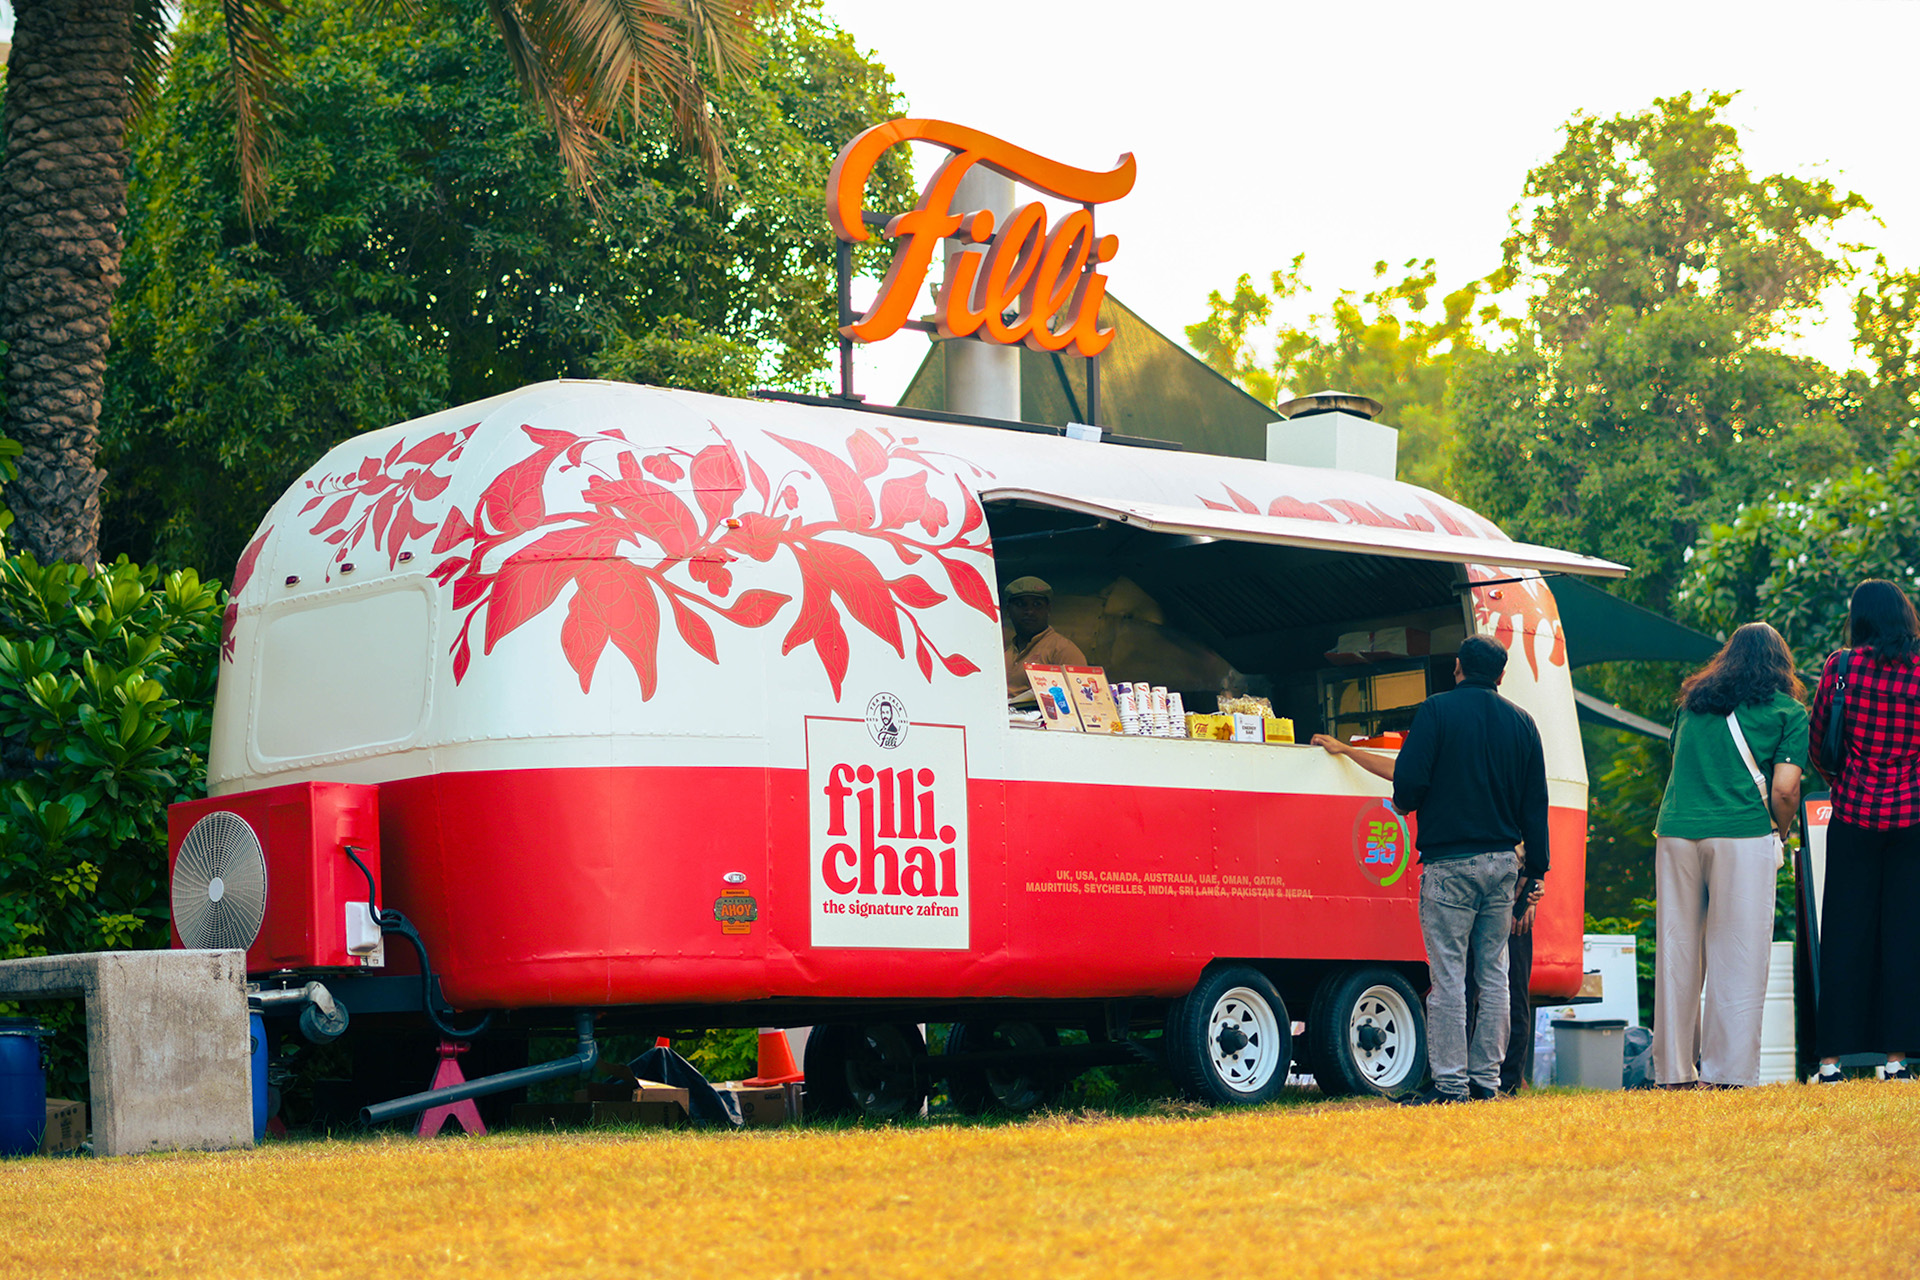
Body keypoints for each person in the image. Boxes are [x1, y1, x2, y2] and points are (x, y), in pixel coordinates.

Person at [1314, 635, 1550, 1103]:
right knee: (1494, 976)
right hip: (1503, 865)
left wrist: (1407, 802)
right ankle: (1486, 1081)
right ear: (1501, 675)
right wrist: (1536, 871)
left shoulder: (1436, 711)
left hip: (1449, 864)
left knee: (1448, 978)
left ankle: (1450, 1084)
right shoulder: (1523, 723)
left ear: (1457, 666)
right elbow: (1535, 803)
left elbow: (1409, 784)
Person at [1650, 622, 1807, 1089]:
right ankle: (1726, 1075)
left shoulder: (1691, 706)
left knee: (1677, 951)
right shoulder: (1787, 712)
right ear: (1780, 663)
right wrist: (1780, 831)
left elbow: (1680, 765)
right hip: (1742, 833)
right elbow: (1785, 789)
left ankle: (1674, 1072)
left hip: (1677, 832)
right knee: (1737, 954)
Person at [1807, 579, 1920, 1083]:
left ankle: (1831, 1062)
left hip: (1853, 815)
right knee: (1905, 936)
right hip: (1913, 817)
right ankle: (1897, 1060)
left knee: (1844, 936)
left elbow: (1820, 743)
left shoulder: (1841, 668)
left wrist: (1846, 781)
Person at [1002, 576, 1086, 704]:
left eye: (1037, 604)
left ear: (1048, 609)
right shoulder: (1003, 652)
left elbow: (1082, 701)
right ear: (1008, 610)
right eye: (1020, 604)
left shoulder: (1062, 650)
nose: (1030, 611)